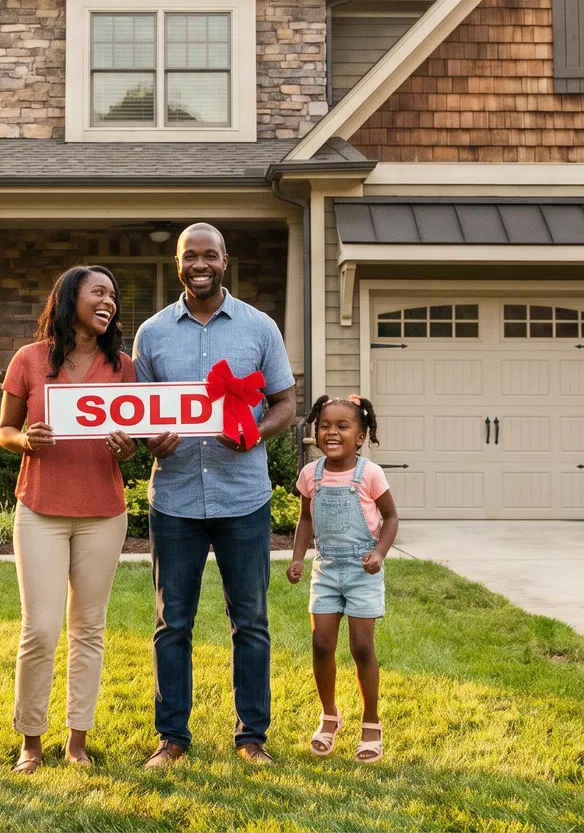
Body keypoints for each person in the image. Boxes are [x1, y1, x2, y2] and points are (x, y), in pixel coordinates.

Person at [134, 222, 298, 768]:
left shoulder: (259, 328)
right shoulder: (152, 334)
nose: (199, 264)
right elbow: (138, 414)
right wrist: (149, 437)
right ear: (178, 264)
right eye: (189, 256)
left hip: (242, 498)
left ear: (225, 261)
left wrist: (255, 431)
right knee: (171, 623)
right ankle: (172, 739)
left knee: (249, 621)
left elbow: (284, 405)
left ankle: (252, 737)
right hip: (175, 497)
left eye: (209, 255)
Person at [0, 265, 137, 772]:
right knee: (40, 629)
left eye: (113, 296)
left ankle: (76, 741)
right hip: (40, 511)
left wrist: (125, 451)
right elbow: (5, 432)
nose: (109, 302)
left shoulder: (123, 366)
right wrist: (25, 440)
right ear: (70, 297)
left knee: (89, 629)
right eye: (99, 292)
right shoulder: (29, 360)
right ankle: (30, 741)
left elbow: (132, 442)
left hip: (104, 513)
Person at [286, 394, 398, 763]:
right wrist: (299, 558)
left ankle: (371, 722)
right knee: (321, 644)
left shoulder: (370, 474)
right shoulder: (310, 475)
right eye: (325, 425)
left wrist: (379, 554)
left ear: (361, 435)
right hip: (328, 569)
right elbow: (306, 520)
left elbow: (391, 519)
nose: (331, 432)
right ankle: (330, 715)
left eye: (342, 426)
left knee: (362, 648)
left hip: (363, 570)